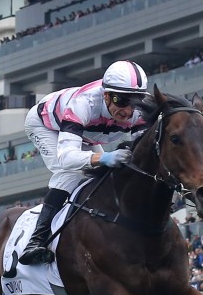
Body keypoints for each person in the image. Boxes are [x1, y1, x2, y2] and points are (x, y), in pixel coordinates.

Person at [19, 60, 149, 265]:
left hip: (87, 136)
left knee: (107, 174)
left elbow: (144, 155)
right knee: (71, 172)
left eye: (136, 102)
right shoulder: (83, 103)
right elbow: (67, 157)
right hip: (47, 126)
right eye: (122, 101)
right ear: (106, 95)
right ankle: (36, 241)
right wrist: (105, 157)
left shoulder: (140, 111)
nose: (129, 111)